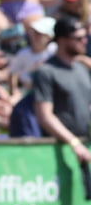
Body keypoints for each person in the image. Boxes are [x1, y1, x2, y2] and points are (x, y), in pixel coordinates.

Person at [32, 16, 91, 164]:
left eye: (85, 37)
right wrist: (73, 142)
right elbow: (45, 116)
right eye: (79, 38)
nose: (85, 41)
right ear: (62, 40)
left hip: (84, 147)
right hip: (59, 149)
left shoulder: (82, 69)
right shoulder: (46, 71)